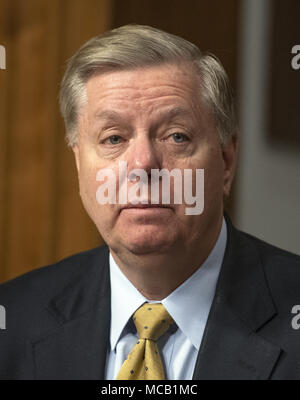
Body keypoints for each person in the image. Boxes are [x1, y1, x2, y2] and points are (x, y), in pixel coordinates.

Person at [0, 24, 299, 380]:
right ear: (79, 163)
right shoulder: (13, 321)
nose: (142, 165)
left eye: (176, 136)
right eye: (113, 138)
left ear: (227, 162)